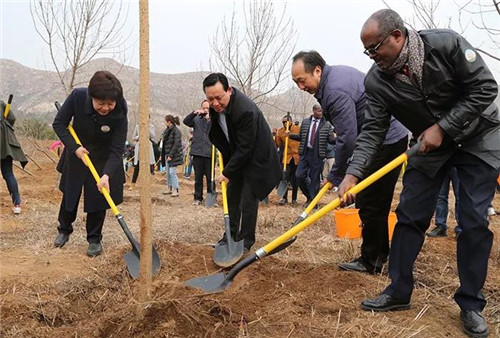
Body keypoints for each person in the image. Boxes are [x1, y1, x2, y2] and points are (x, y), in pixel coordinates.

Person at [337, 9, 499, 337]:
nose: (372, 56)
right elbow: (372, 131)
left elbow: (485, 88)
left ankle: (470, 304)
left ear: (397, 36)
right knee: (409, 214)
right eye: (367, 51)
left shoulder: (447, 44)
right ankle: (398, 291)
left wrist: (443, 126)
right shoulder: (376, 81)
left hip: (479, 139)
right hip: (428, 147)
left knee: (472, 221)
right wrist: (353, 173)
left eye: (375, 47)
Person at [291, 50, 409, 273]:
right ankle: (378, 254)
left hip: (386, 140)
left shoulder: (335, 90)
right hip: (380, 139)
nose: (300, 87)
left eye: (301, 80)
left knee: (371, 200)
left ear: (317, 71)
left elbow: (347, 139)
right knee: (371, 200)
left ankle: (372, 260)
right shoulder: (332, 80)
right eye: (296, 82)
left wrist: (338, 176)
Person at [203, 72, 281, 253]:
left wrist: (227, 172)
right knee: (232, 196)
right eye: (211, 99)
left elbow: (246, 148)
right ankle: (229, 237)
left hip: (257, 159)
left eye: (219, 98)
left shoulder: (245, 110)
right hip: (238, 157)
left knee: (248, 199)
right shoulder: (217, 109)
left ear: (229, 90)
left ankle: (245, 242)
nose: (215, 103)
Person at [52, 70, 128, 257]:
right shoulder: (78, 97)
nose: (105, 108)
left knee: (98, 198)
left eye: (110, 104)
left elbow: (118, 147)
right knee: (71, 193)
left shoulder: (120, 109)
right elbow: (59, 123)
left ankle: (94, 238)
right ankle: (64, 229)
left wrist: (107, 174)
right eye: (101, 103)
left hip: (103, 157)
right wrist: (75, 148)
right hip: (78, 151)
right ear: (91, 96)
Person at [288, 104, 335, 206]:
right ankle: (309, 196)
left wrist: (340, 137)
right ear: (313, 111)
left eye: (321, 111)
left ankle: (313, 202)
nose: (320, 113)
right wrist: (290, 135)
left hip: (317, 155)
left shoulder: (327, 124)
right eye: (318, 111)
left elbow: (331, 140)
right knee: (299, 175)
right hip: (305, 152)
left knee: (314, 179)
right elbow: (301, 137)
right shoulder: (305, 122)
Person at [183, 100, 214, 205]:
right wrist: (194, 113)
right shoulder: (196, 119)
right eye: (204, 108)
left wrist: (211, 118)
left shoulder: (215, 120)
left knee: (210, 177)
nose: (206, 110)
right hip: (197, 152)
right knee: (198, 177)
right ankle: (198, 198)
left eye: (208, 108)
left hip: (210, 153)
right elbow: (186, 121)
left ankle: (211, 197)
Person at [1, 99, 28, 214]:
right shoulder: (1, 103)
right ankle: (17, 204)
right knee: (8, 173)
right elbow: (12, 118)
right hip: (5, 143)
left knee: (8, 173)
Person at [427, 167, 461, 238]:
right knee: (440, 197)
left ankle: (461, 229)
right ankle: (440, 226)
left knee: (460, 197)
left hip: (459, 165)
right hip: (443, 163)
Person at [274, 113, 300, 205]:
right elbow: (277, 144)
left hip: (296, 158)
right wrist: (276, 136)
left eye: (286, 122)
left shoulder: (298, 129)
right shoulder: (281, 132)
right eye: (283, 122)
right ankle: (284, 198)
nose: (284, 124)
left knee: (295, 179)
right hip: (287, 158)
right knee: (285, 177)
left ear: (291, 121)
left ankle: (294, 199)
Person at [129, 122, 155, 190]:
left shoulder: (151, 126)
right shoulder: (137, 126)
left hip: (148, 146)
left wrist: (147, 129)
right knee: (137, 167)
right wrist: (139, 136)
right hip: (139, 146)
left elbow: (153, 136)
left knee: (148, 166)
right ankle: (133, 184)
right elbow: (133, 137)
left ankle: (147, 184)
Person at [161, 115, 183, 197]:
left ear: (169, 122)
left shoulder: (176, 131)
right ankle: (169, 188)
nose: (164, 122)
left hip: (174, 155)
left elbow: (176, 144)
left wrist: (171, 155)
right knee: (167, 172)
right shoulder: (167, 131)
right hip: (167, 154)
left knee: (172, 172)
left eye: (165, 121)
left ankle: (175, 189)